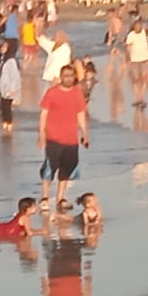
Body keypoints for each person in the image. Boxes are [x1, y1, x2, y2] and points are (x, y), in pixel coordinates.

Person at [38, 65, 89, 211]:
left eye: (71, 75)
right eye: (66, 76)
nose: (68, 78)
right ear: (61, 77)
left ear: (74, 76)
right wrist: (41, 134)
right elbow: (43, 114)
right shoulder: (52, 92)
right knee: (50, 167)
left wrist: (85, 133)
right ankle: (45, 197)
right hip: (53, 138)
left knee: (67, 168)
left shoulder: (77, 93)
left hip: (71, 139)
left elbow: (80, 113)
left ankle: (60, 198)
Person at [126, 17, 148, 107]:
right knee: (135, 79)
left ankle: (142, 98)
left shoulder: (145, 33)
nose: (137, 27)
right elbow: (128, 48)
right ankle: (137, 98)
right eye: (135, 26)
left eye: (138, 25)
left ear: (141, 26)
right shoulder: (131, 35)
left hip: (145, 59)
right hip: (134, 60)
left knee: (144, 79)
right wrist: (128, 59)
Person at [0, 46, 21, 134]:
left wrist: (13, 89)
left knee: (7, 107)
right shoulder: (3, 59)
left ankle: (9, 126)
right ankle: (5, 125)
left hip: (9, 88)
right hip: (2, 87)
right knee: (2, 107)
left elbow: (15, 76)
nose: (1, 49)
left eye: (4, 48)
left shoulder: (11, 61)